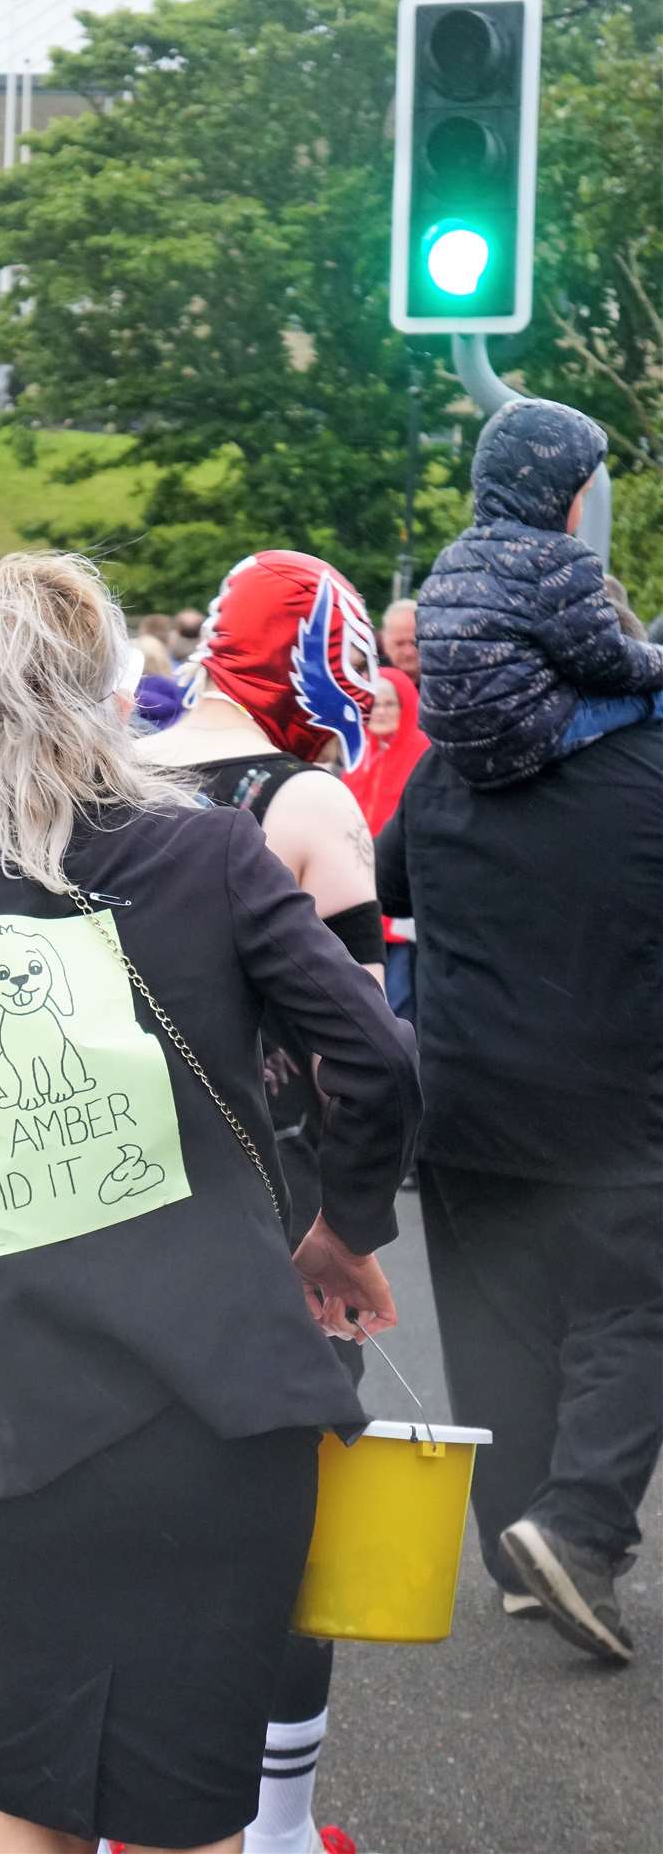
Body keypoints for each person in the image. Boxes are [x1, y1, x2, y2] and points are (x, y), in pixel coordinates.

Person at [0, 552, 420, 1854]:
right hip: (223, 1413)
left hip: (15, 1429)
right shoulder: (213, 853)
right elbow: (376, 1056)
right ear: (120, 689)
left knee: (31, 1815)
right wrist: (340, 1226)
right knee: (191, 1817)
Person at [143, 550, 391, 1854]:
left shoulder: (124, 777)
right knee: (282, 1532)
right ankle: (282, 1827)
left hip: (122, 1203)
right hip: (270, 1210)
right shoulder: (307, 803)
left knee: (143, 1513)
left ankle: (134, 1809)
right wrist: (345, 1233)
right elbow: (363, 1048)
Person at [377, 704, 663, 1665]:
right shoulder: (647, 765)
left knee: (496, 1319)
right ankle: (576, 1529)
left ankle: (519, 1555)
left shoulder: (451, 763)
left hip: (465, 1099)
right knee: (633, 1310)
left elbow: (388, 881)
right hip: (617, 1104)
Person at [418, 399, 663, 789]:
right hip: (518, 736)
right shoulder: (558, 558)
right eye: (581, 495)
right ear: (551, 491)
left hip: (453, 740)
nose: (581, 510)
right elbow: (607, 664)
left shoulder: (454, 555)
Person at [344, 668, 428, 1027]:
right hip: (359, 894)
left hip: (399, 900)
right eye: (373, 703)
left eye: (390, 704)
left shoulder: (422, 754)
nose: (380, 711)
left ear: (407, 706)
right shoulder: (356, 753)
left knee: (398, 1000)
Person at [381, 599, 419, 687]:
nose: (408, 653)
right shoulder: (368, 680)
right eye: (399, 644)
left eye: (414, 643)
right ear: (384, 641)